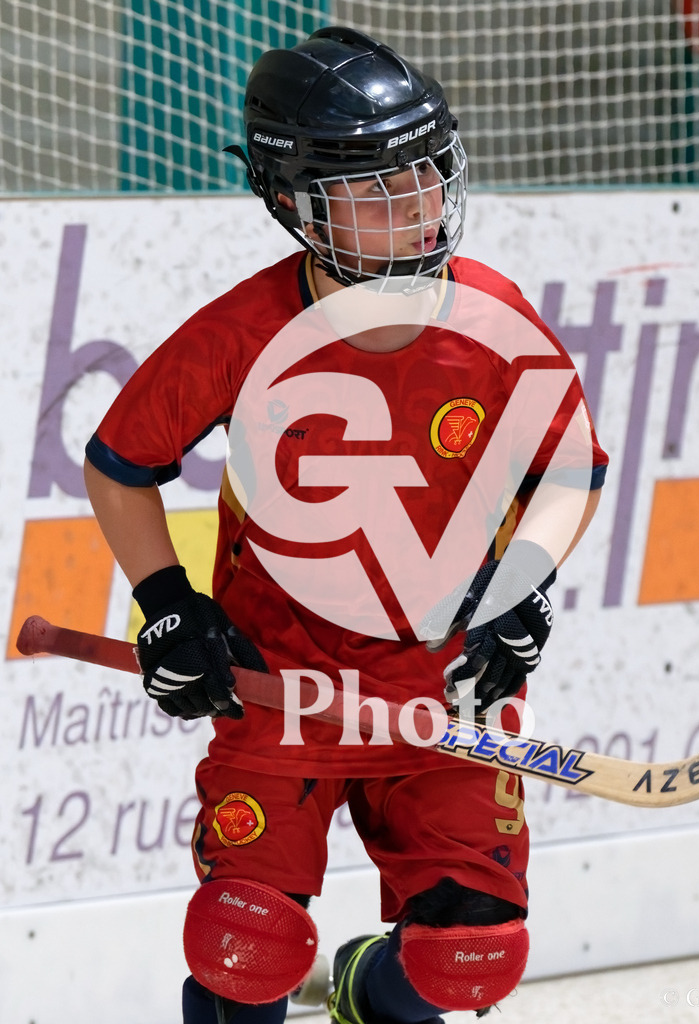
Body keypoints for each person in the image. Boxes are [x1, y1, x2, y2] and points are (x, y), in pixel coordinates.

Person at [83, 25, 608, 1024]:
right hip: (278, 686)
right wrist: (166, 606)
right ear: (292, 203)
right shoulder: (240, 333)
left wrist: (519, 586)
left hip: (443, 696)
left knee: (471, 953)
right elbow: (120, 465)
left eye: (427, 175)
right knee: (247, 947)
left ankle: (368, 989)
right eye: (377, 190)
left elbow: (568, 466)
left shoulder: (494, 318)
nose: (418, 209)